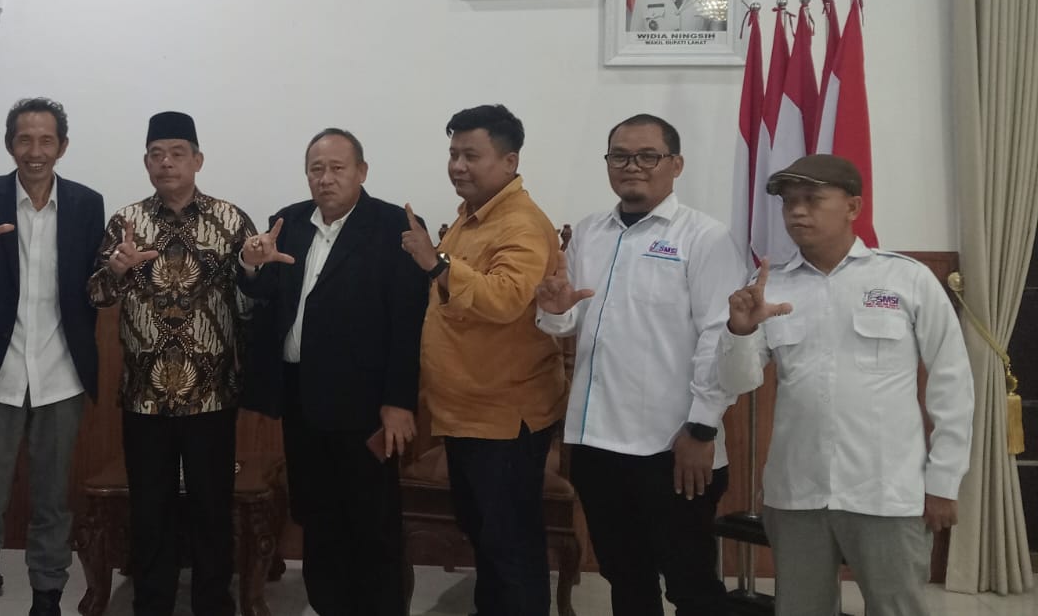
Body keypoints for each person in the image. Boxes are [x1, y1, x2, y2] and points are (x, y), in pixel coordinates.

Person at [717, 154, 973, 616]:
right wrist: (740, 331)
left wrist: (944, 481)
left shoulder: (905, 278)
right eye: (788, 202)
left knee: (897, 608)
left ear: (853, 207)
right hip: (797, 492)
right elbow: (738, 382)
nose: (797, 211)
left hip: (887, 491)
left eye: (812, 199)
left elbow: (951, 383)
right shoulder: (769, 287)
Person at [534, 114, 740, 616]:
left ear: (676, 164)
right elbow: (568, 323)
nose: (632, 166)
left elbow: (720, 339)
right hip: (596, 442)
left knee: (691, 584)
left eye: (648, 156)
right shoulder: (589, 232)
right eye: (620, 156)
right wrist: (554, 311)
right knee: (625, 578)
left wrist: (702, 429)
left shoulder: (705, 237)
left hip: (672, 446)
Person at [237, 128, 427, 616]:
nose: (325, 178)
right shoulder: (289, 222)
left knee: (372, 524)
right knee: (317, 518)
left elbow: (408, 322)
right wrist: (252, 266)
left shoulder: (393, 227)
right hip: (301, 399)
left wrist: (399, 402)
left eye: (337, 168)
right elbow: (264, 297)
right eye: (316, 169)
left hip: (367, 406)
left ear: (362, 172)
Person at [86, 111, 258, 616]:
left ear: (197, 160)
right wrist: (116, 269)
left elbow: (250, 304)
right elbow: (95, 294)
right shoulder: (126, 222)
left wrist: (253, 271)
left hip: (212, 393)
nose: (166, 163)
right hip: (145, 395)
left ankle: (213, 604)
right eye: (156, 155)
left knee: (212, 507)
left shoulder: (231, 221)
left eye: (177, 153)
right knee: (149, 508)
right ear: (146, 163)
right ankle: (152, 603)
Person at [401, 104, 568, 616]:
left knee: (510, 545)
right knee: (488, 539)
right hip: (466, 412)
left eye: (471, 155)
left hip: (504, 417)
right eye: (453, 154)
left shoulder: (521, 224)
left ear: (510, 160)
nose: (458, 166)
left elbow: (505, 298)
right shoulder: (472, 217)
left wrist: (436, 262)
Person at [0, 98, 105, 616]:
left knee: (53, 498)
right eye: (24, 139)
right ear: (10, 143)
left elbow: (93, 287)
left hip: (61, 373)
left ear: (62, 146)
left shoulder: (86, 204)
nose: (35, 151)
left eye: (46, 140)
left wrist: (118, 273)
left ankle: (47, 596)